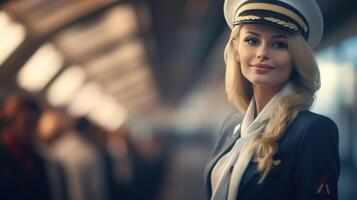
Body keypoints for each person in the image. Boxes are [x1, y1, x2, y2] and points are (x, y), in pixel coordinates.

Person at [203, 0, 340, 200]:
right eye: (252, 40)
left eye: (279, 44)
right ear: (236, 49)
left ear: (296, 57)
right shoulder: (231, 126)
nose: (262, 53)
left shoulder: (313, 131)